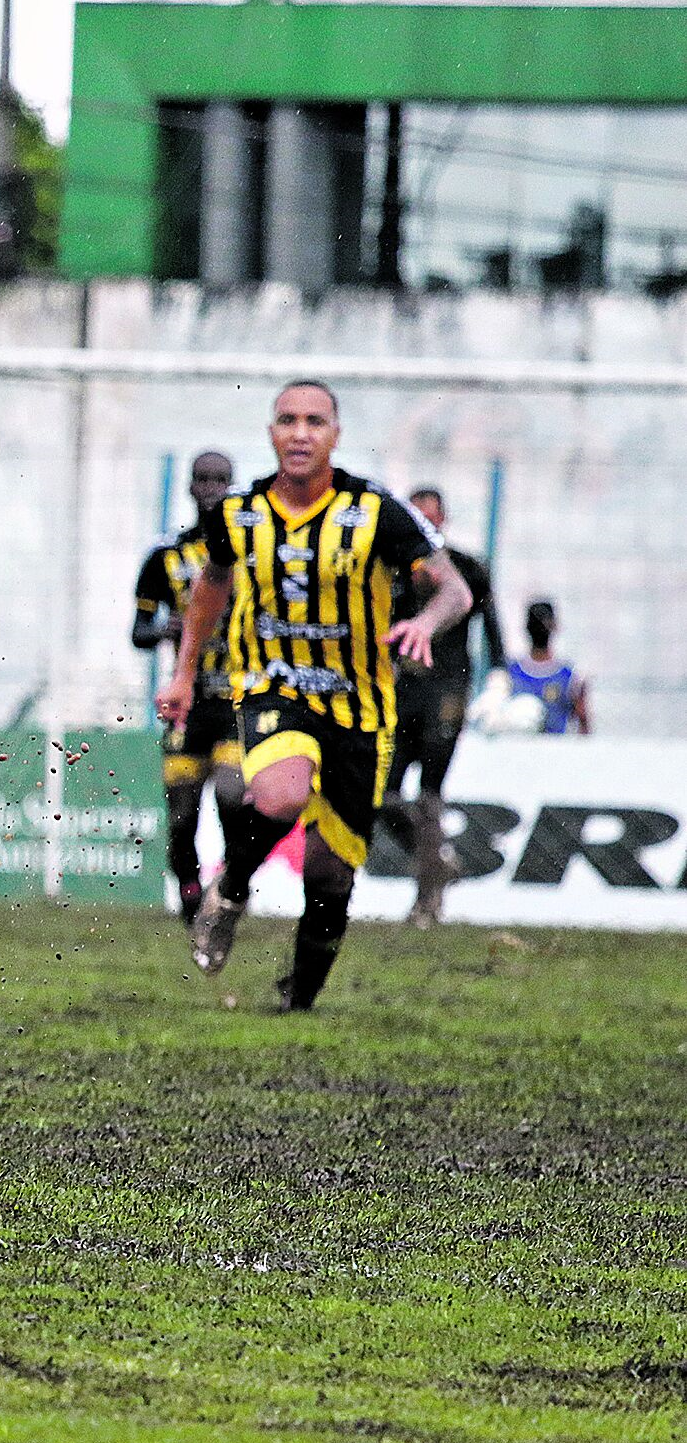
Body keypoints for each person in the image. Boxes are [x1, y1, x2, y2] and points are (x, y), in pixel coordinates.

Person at [158, 380, 473, 1013]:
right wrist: (185, 674)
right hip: (273, 684)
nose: (300, 432)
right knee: (279, 792)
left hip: (361, 706)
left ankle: (298, 998)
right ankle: (230, 890)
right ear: (271, 433)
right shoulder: (240, 514)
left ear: (335, 434)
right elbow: (211, 587)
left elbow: (455, 592)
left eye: (315, 421)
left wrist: (422, 622)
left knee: (331, 875)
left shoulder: (375, 512)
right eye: (287, 420)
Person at [131, 450, 244, 921]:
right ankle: (190, 888)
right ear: (190, 487)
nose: (212, 488)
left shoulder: (251, 553)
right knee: (181, 815)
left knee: (233, 798)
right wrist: (168, 629)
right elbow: (138, 632)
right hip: (187, 703)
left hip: (237, 699)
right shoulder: (165, 556)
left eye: (221, 479)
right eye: (203, 479)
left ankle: (235, 886)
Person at [384, 487, 504, 925]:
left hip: (447, 689)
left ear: (443, 521)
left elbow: (491, 623)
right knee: (386, 796)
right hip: (404, 688)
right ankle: (438, 862)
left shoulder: (467, 569)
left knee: (430, 792)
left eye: (430, 520)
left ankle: (426, 901)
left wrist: (499, 676)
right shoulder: (394, 570)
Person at [506, 599, 591, 733]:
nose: (541, 628)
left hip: (554, 751)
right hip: (517, 751)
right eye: (537, 623)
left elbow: (583, 726)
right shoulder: (509, 673)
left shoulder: (571, 677)